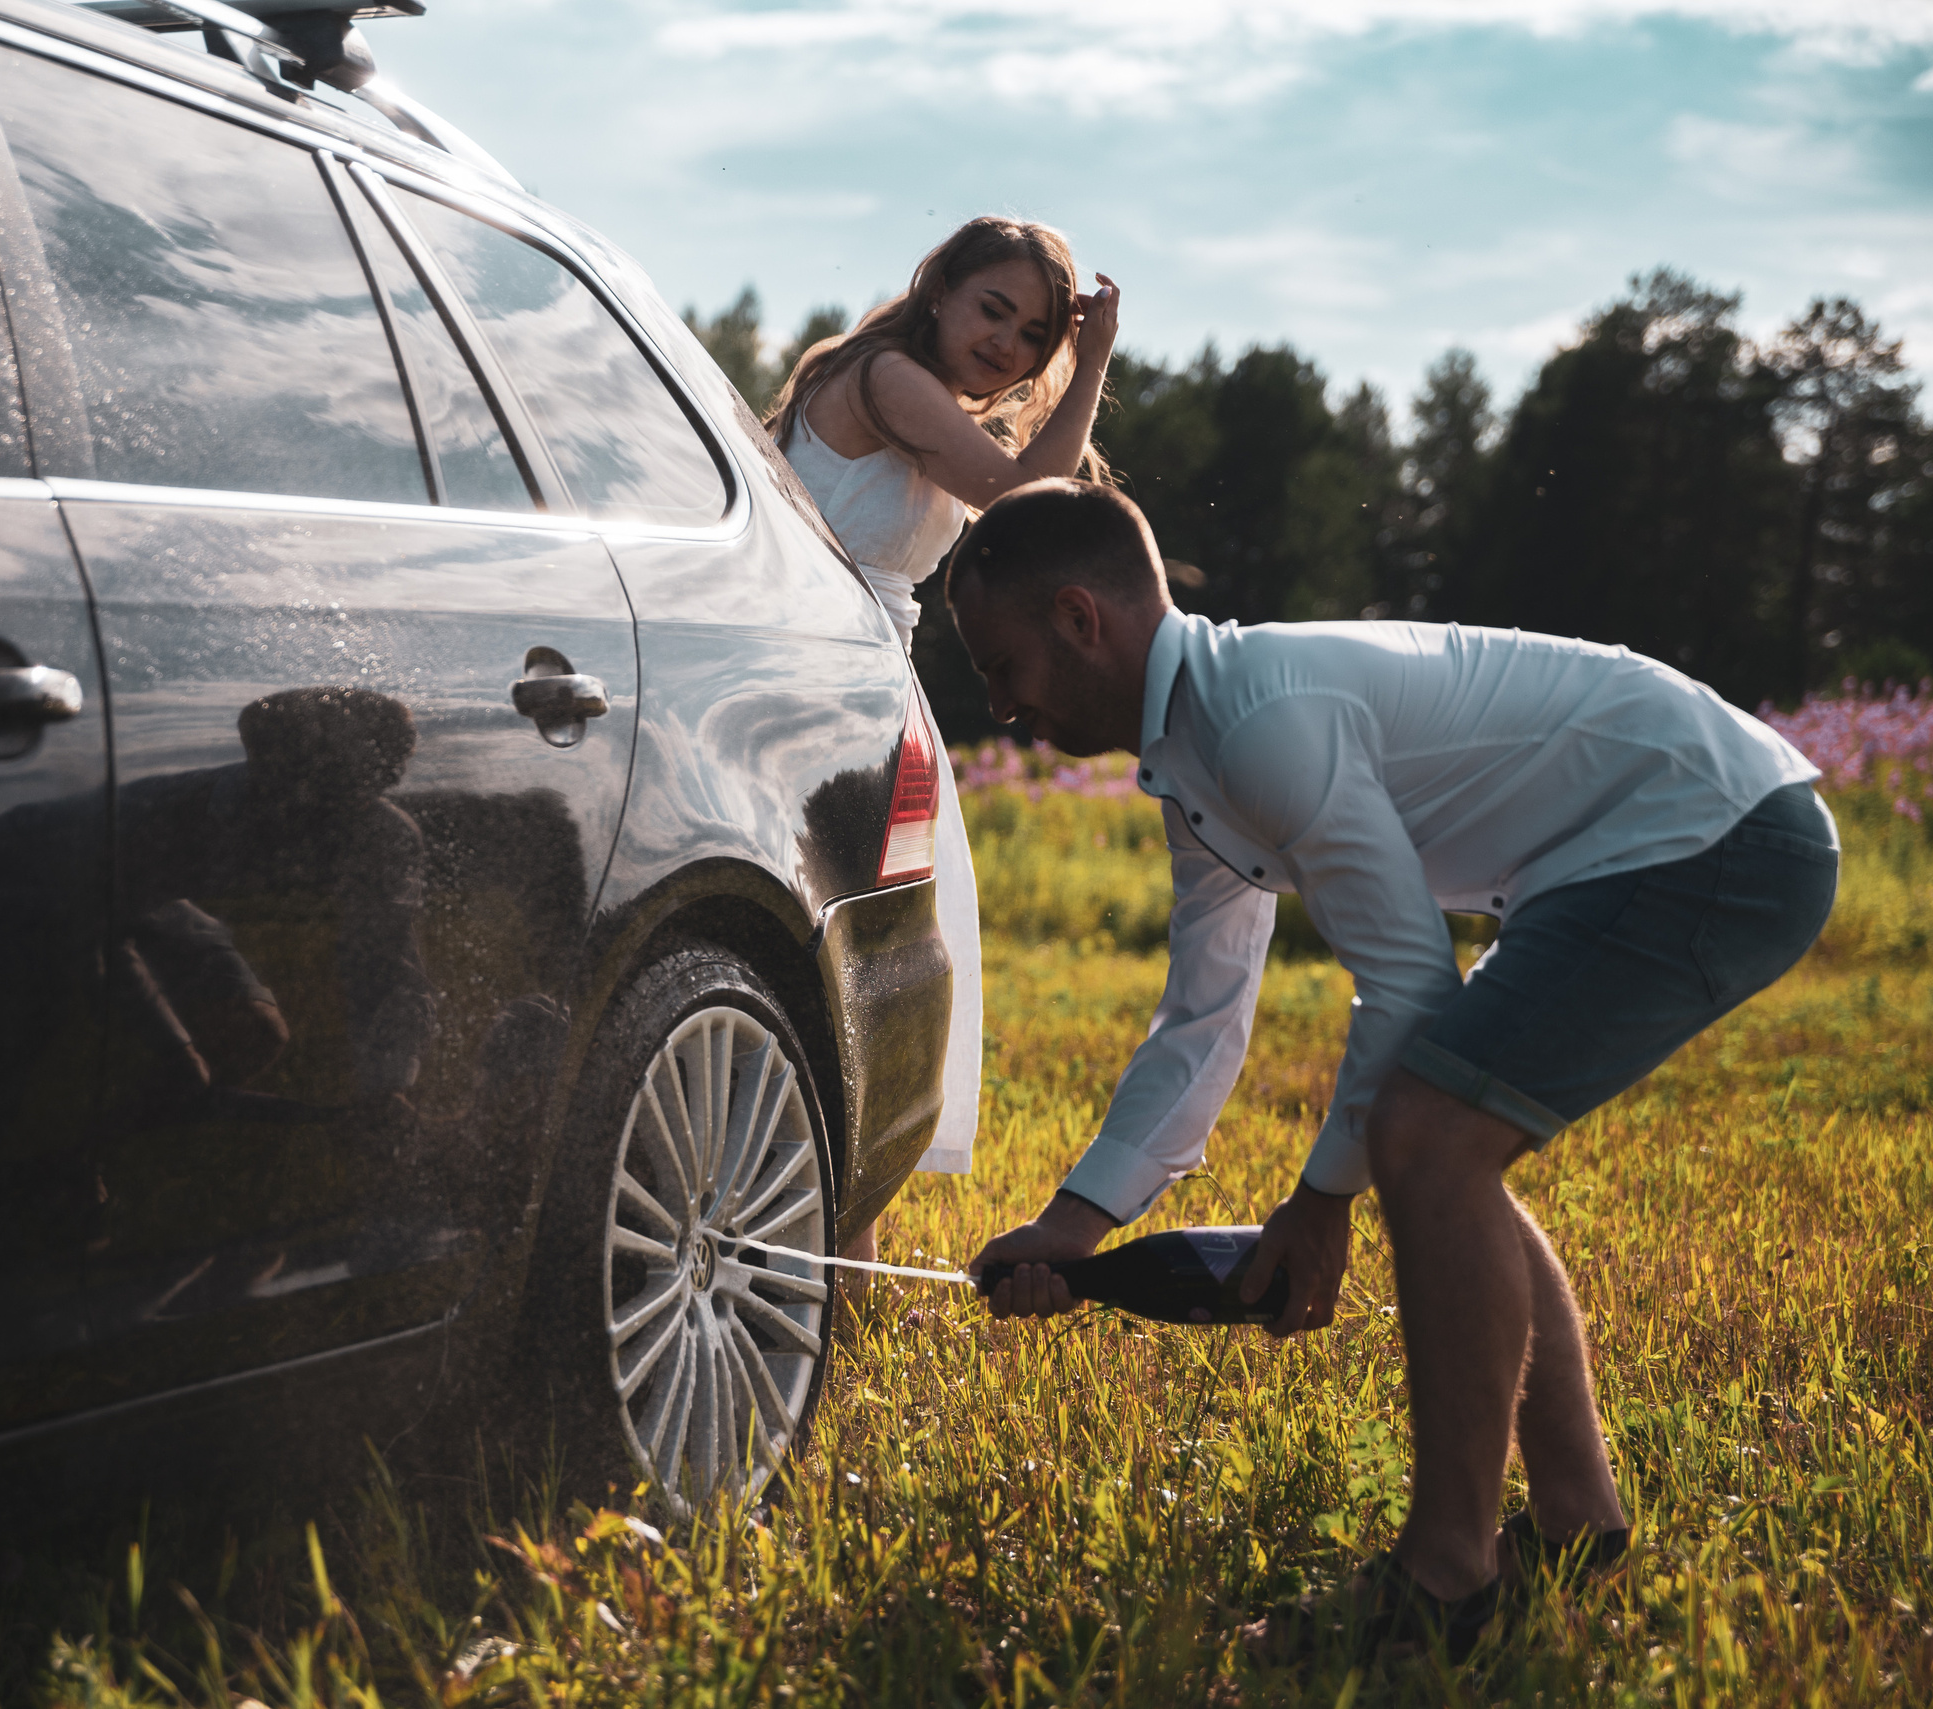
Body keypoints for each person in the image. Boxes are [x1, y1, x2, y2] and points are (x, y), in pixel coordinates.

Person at [956, 479, 1837, 1665]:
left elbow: (1410, 990)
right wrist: (1074, 1224)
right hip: (1631, 848)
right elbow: (1202, 1020)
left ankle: (1444, 1578)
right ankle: (1577, 1524)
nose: (1000, 705)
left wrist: (1321, 1204)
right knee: (1443, 1143)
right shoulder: (1194, 755)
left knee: (1430, 1137)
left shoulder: (1260, 721)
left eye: (1001, 664)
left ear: (1078, 619)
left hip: (1714, 832)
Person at [766, 217, 1119, 1249]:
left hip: (866, 675)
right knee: (857, 961)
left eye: (1035, 335)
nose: (1006, 344)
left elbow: (1024, 506)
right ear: (940, 290)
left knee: (872, 967)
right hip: (824, 682)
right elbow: (1025, 503)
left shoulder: (919, 399)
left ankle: (847, 1254)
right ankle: (836, 1250)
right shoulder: (885, 379)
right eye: (992, 309)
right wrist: (1094, 361)